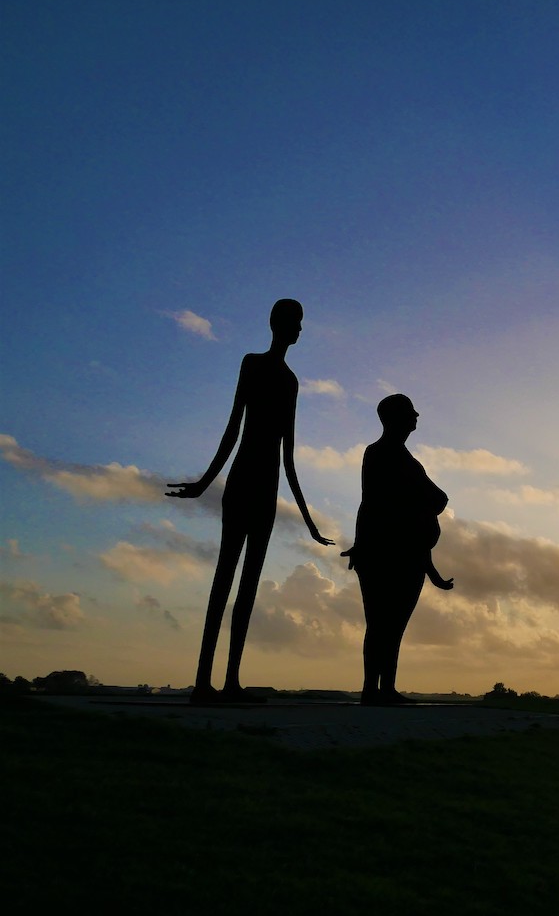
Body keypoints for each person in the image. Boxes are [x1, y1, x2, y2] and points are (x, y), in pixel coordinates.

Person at [167, 299, 334, 704]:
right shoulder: (252, 364)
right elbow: (232, 429)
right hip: (243, 481)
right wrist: (206, 483)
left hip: (267, 488)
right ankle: (203, 681)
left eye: (300, 323)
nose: (299, 330)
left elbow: (288, 456)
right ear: (278, 324)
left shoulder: (291, 381)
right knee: (224, 578)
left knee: (249, 586)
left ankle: (230, 681)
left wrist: (308, 520)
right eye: (295, 322)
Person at [342, 394, 454, 705]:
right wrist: (362, 544)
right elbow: (371, 502)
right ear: (396, 418)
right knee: (380, 623)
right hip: (383, 554)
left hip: (409, 556)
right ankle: (371, 689)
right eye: (410, 412)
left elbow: (426, 514)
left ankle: (385, 688)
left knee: (393, 626)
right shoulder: (379, 454)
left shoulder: (409, 462)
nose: (416, 415)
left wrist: (432, 572)